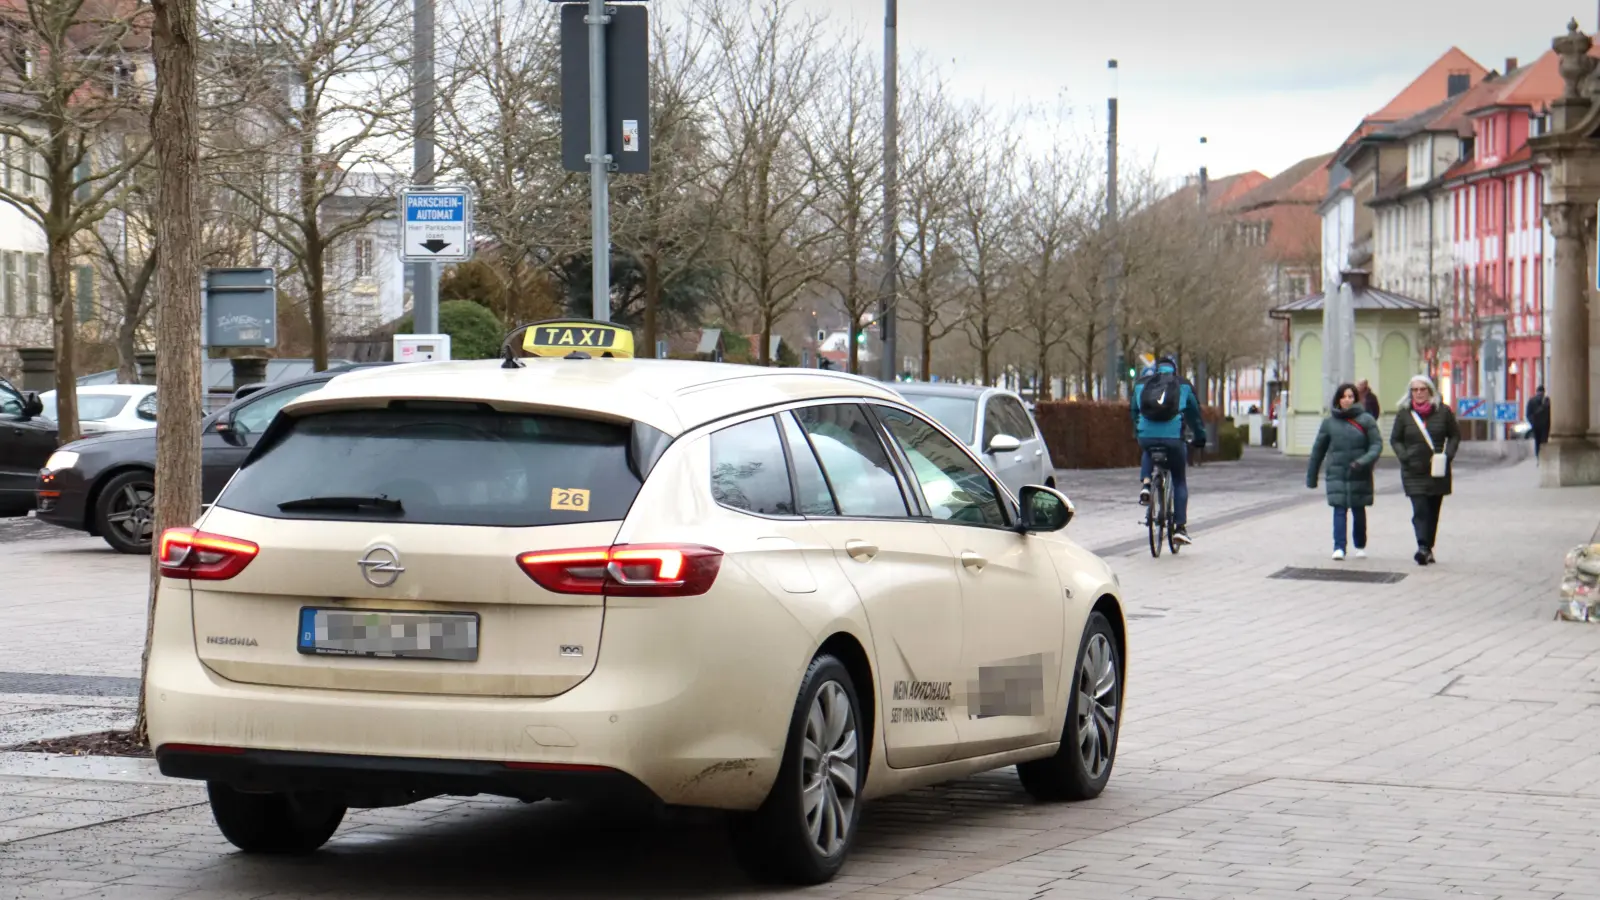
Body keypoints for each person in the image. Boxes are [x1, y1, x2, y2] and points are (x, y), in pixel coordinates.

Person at [1131, 355, 1207, 545]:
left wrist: (1138, 431)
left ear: (1157, 369)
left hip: (1146, 436)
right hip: (1174, 439)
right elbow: (1194, 415)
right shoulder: (1183, 386)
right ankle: (1180, 527)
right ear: (1174, 369)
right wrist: (1200, 437)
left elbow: (1133, 411)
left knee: (1147, 449)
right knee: (1179, 479)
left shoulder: (1142, 384)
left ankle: (1147, 484)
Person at [1389, 374, 1461, 566]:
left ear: (1430, 391)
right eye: (1415, 390)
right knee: (1420, 509)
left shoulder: (1443, 412)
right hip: (1413, 470)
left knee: (1433, 511)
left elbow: (1454, 435)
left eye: (1422, 389)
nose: (1419, 393)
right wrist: (1404, 456)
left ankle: (1428, 547)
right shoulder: (1404, 414)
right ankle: (1422, 546)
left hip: (1437, 470)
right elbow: (1395, 439)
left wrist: (1447, 455)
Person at [1307, 383, 1382, 560]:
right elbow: (1318, 450)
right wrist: (1312, 476)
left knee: (1358, 509)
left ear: (1355, 399)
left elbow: (1376, 445)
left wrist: (1363, 461)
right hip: (1337, 472)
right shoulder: (1329, 423)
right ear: (1338, 400)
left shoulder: (1366, 420)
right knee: (1339, 509)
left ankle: (1360, 544)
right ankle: (1339, 546)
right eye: (1344, 396)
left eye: (1351, 396)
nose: (1347, 400)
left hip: (1359, 472)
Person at [1526, 385, 1551, 458]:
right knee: (1541, 442)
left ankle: (1540, 457)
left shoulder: (1533, 401)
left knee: (1540, 442)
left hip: (1540, 425)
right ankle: (1541, 457)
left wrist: (1532, 422)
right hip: (1541, 426)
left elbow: (1528, 414)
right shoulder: (1544, 401)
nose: (1540, 394)